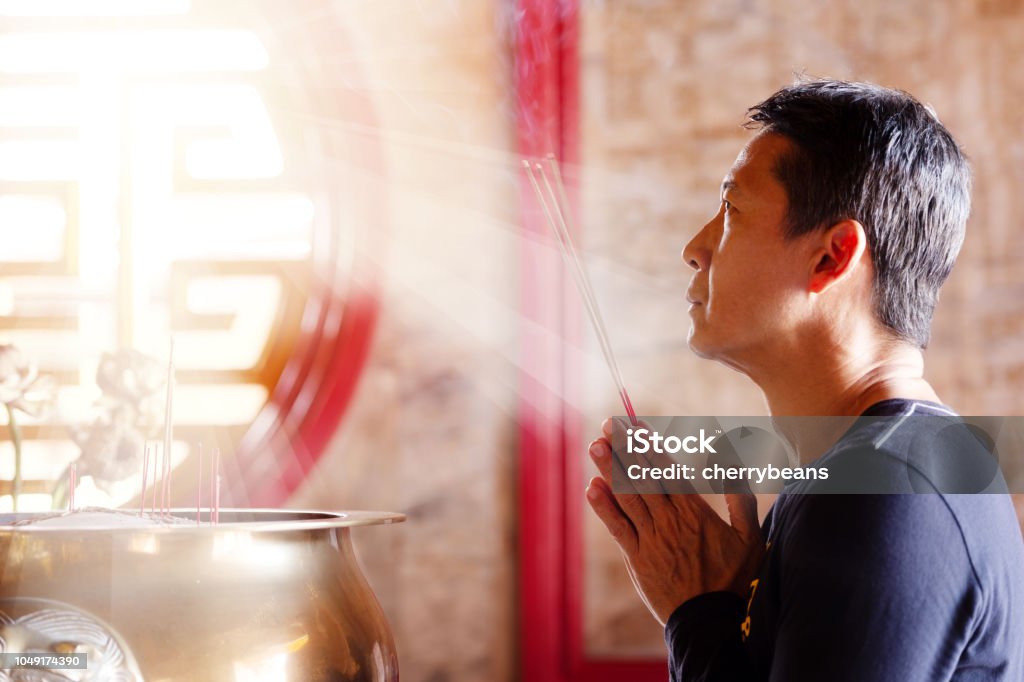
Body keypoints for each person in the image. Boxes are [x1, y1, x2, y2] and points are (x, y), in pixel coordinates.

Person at [584, 79, 1024, 680]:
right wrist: (733, 613)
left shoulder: (883, 489)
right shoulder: (886, 469)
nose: (695, 247)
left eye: (733, 210)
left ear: (831, 257)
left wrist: (698, 616)